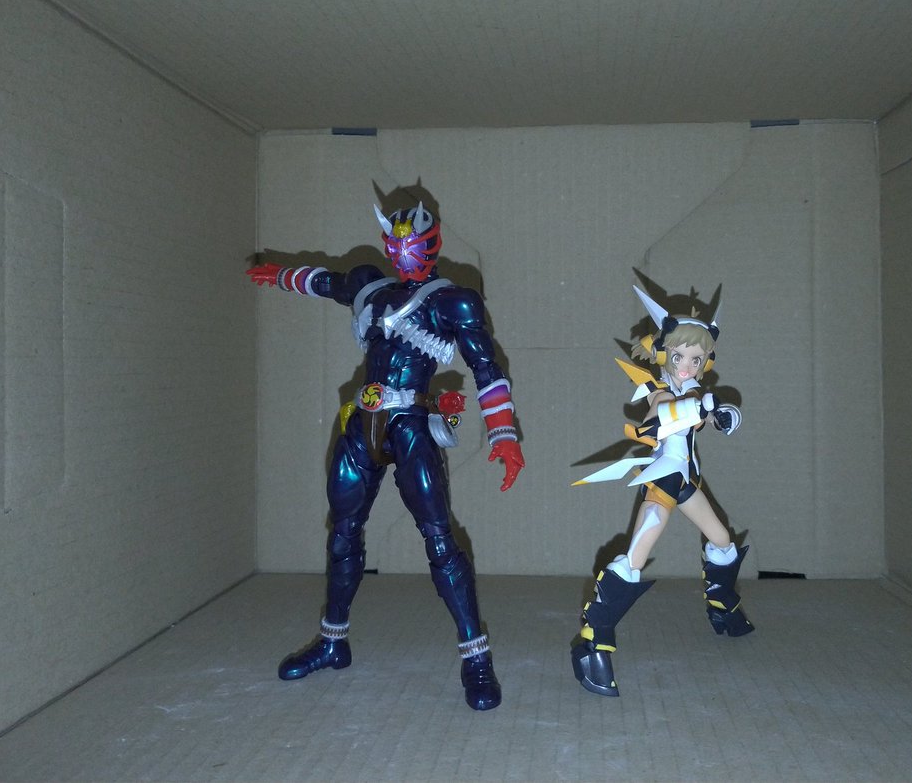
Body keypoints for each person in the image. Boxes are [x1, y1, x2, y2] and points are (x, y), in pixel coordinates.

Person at [247, 200, 524, 711]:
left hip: (411, 423)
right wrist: (281, 275)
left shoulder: (453, 303)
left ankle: (477, 659)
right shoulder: (372, 287)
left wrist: (503, 433)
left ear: (431, 243)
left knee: (439, 538)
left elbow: (486, 368)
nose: (404, 255)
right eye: (397, 245)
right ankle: (333, 640)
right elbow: (327, 283)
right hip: (364, 418)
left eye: (412, 245)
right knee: (343, 531)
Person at [570, 285, 751, 697]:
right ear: (665, 353)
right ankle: (593, 643)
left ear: (705, 361)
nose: (687, 365)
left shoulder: (693, 392)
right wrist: (699, 409)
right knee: (634, 557)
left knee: (722, 541)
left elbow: (717, 415)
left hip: (687, 481)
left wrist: (723, 415)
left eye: (696, 359)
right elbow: (654, 423)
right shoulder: (661, 392)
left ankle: (722, 605)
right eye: (681, 356)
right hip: (664, 482)